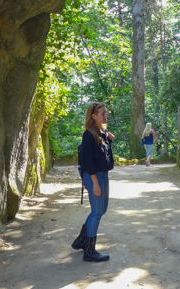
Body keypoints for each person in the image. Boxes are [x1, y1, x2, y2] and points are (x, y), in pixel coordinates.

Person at [71, 102, 115, 262]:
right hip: (93, 177)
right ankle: (89, 251)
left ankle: (81, 241)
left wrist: (108, 141)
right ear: (93, 116)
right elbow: (89, 162)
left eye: (105, 113)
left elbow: (102, 156)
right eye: (102, 114)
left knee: (101, 210)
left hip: (102, 175)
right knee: (97, 212)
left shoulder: (101, 132)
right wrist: (95, 183)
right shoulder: (88, 135)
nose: (105, 116)